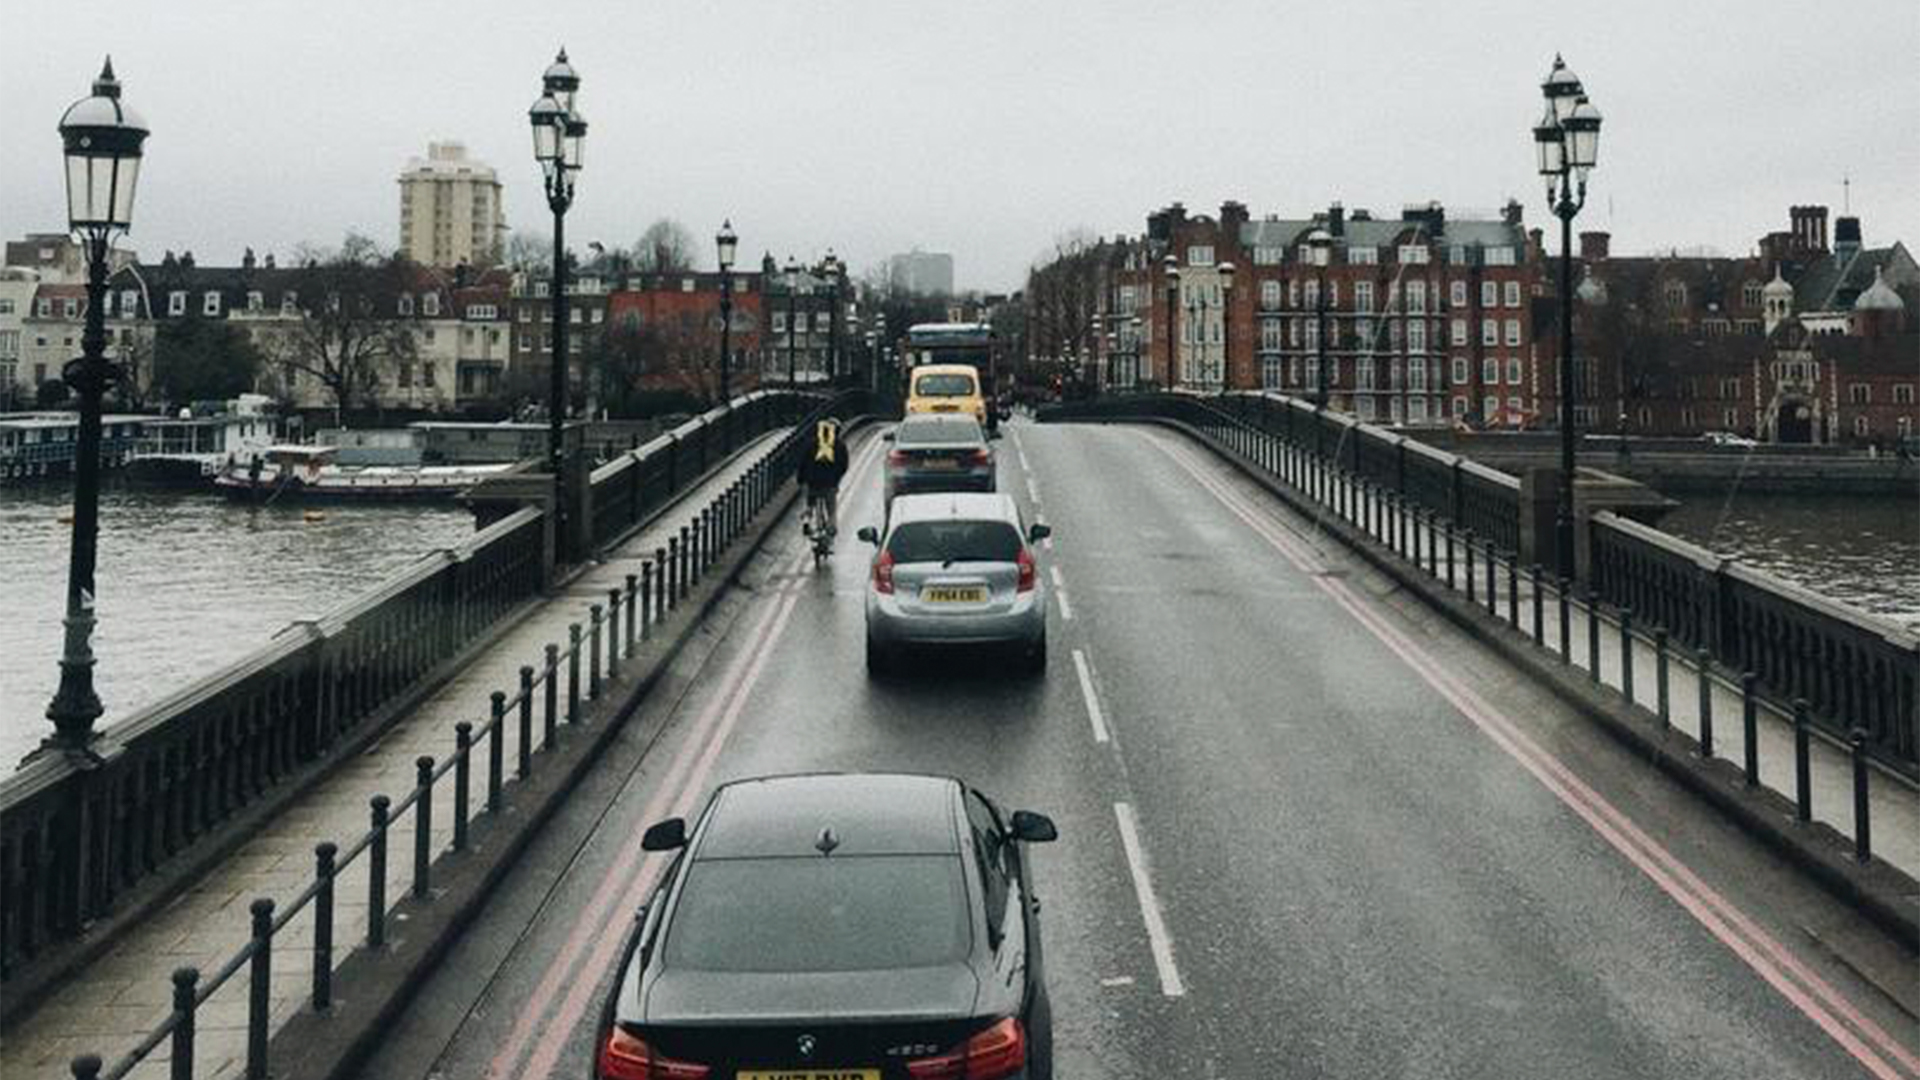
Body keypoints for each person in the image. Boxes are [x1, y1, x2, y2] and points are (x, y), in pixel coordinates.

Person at [798, 417, 850, 539]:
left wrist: (801, 479)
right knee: (831, 509)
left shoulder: (812, 443)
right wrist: (836, 479)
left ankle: (807, 520)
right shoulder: (840, 445)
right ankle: (831, 528)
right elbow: (844, 465)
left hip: (812, 483)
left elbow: (803, 463)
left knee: (809, 504)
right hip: (829, 484)